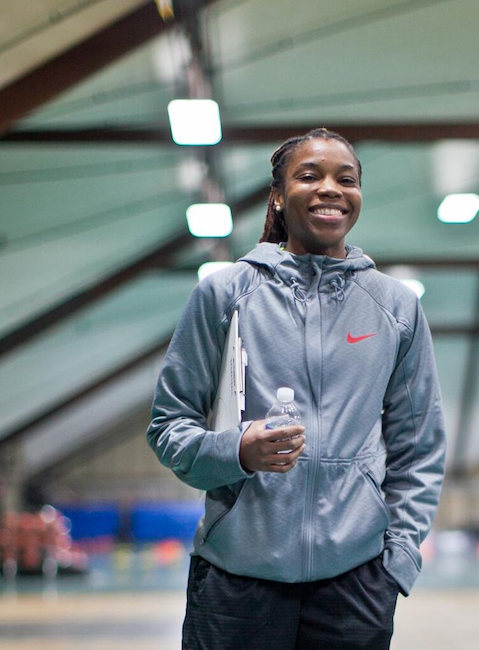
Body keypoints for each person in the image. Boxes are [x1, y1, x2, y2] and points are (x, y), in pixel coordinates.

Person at [147, 128, 446, 649]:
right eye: (310, 176)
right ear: (279, 196)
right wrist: (236, 449)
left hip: (356, 585)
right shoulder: (225, 295)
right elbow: (168, 429)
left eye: (345, 179)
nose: (331, 188)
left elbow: (419, 447)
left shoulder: (396, 307)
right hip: (236, 585)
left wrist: (395, 561)